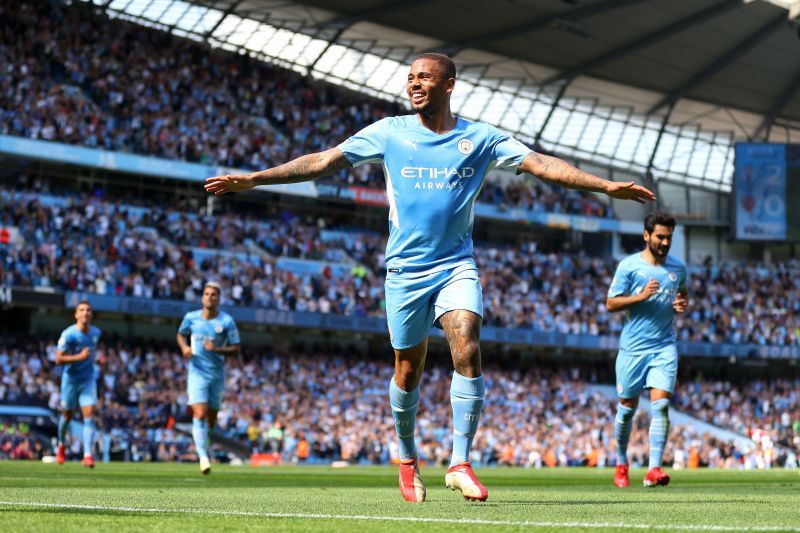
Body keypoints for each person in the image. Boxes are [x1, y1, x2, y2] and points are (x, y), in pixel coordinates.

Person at [204, 52, 655, 502]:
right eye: (410, 77)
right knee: (407, 369)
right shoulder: (389, 132)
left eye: (424, 77)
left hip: (456, 265)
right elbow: (324, 162)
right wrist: (257, 178)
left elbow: (540, 163)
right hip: (404, 270)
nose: (414, 83)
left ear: (449, 85)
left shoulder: (480, 139)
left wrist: (605, 186)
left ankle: (459, 462)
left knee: (468, 342)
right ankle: (407, 459)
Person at [606, 211, 688, 488]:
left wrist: (681, 304)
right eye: (660, 237)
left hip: (664, 346)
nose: (665, 243)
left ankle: (654, 468)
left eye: (669, 238)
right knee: (627, 409)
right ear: (647, 235)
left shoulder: (678, 268)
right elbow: (610, 303)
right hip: (633, 349)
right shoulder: (629, 266)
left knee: (662, 406)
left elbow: (682, 292)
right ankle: (621, 462)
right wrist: (640, 296)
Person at [176, 281, 241, 474]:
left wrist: (217, 349)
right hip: (197, 373)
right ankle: (204, 457)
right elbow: (180, 334)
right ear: (202, 297)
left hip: (217, 375)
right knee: (200, 413)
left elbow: (236, 349)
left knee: (211, 418)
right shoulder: (191, 318)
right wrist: (185, 348)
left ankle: (205, 441)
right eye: (206, 294)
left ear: (219, 298)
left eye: (214, 294)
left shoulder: (227, 321)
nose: (209, 297)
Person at [55, 300, 101, 468]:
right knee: (67, 415)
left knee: (89, 415)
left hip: (88, 380)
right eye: (81, 310)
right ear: (76, 314)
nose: (85, 313)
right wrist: (78, 358)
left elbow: (91, 354)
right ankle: (61, 445)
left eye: (88, 310)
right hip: (71, 381)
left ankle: (87, 454)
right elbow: (58, 358)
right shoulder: (69, 334)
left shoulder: (96, 333)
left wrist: (97, 360)